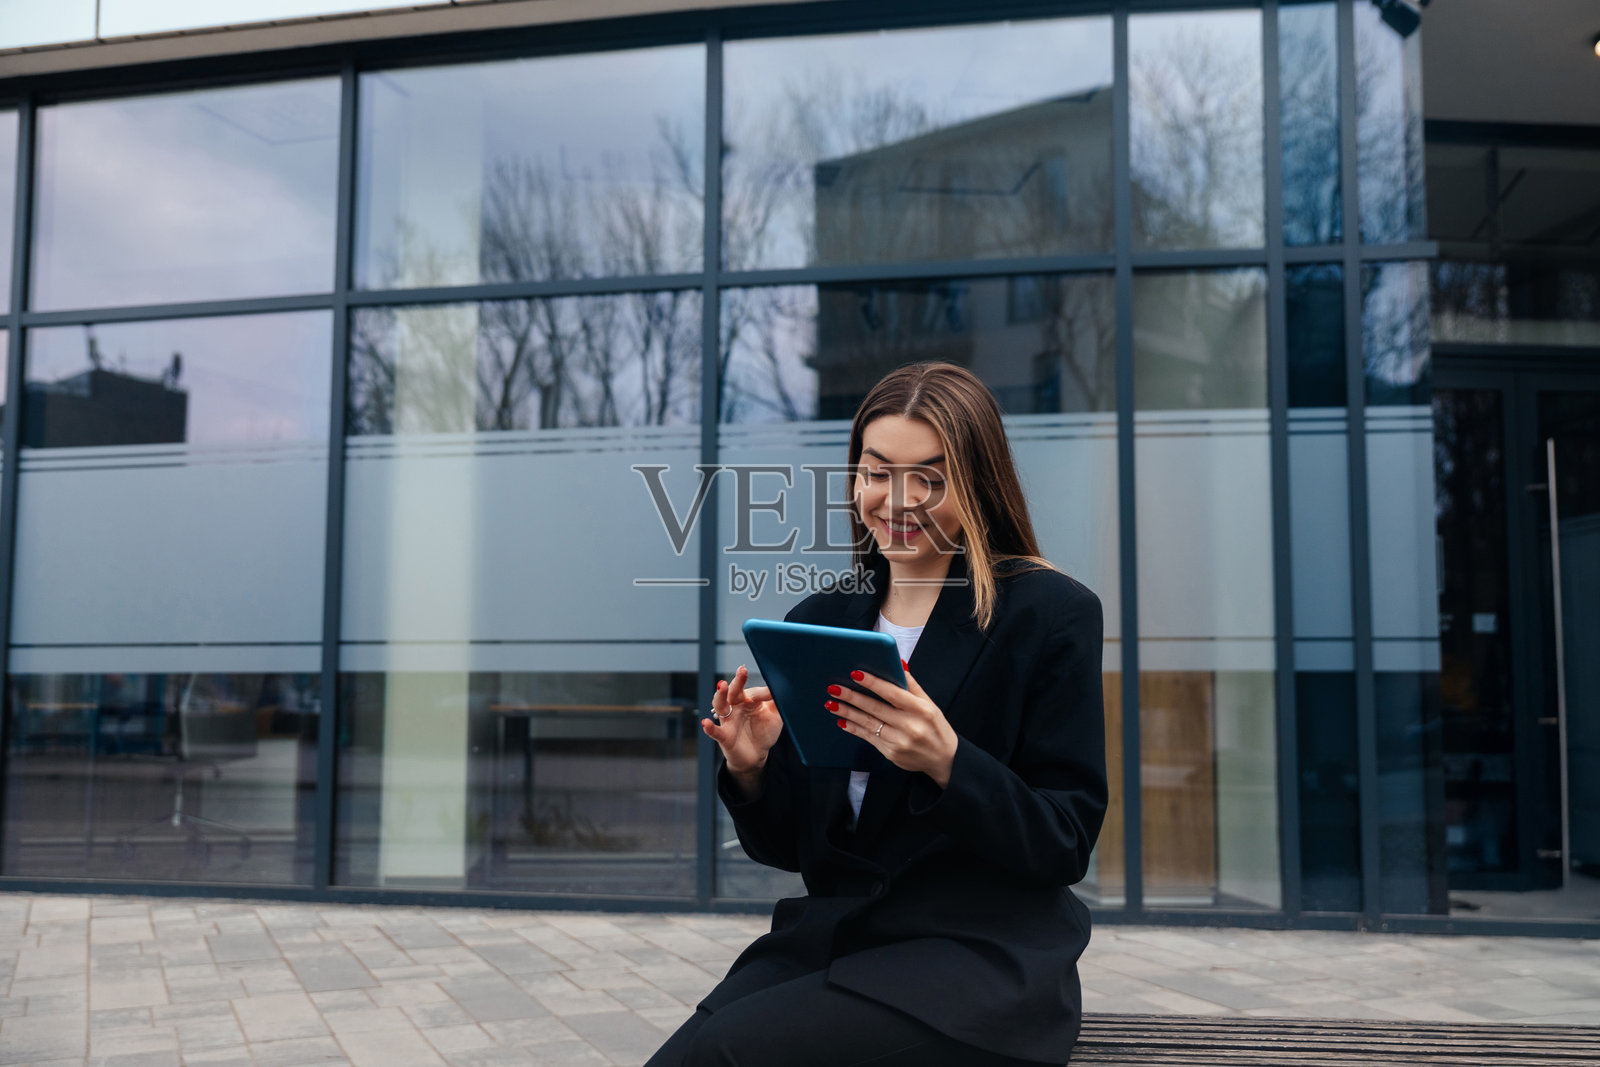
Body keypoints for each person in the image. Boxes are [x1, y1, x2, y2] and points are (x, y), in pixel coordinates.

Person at [646, 362, 1107, 1067]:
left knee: (726, 1054)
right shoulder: (823, 621)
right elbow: (795, 851)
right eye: (877, 471)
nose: (898, 499)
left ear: (977, 483)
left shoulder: (1049, 616)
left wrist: (949, 761)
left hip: (976, 960)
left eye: (930, 475)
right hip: (840, 941)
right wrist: (753, 767)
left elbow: (1065, 840)